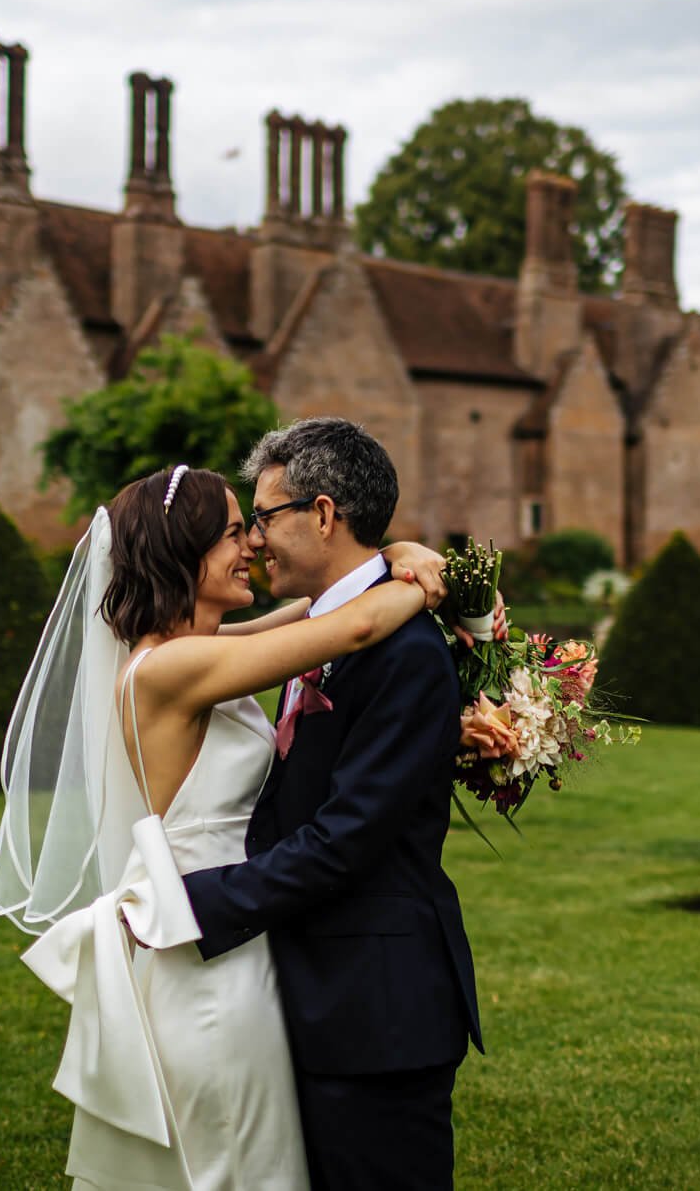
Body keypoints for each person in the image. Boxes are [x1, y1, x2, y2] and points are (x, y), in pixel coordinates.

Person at [0, 459, 450, 1189]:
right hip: (212, 957)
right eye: (236, 532)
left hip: (238, 935)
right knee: (235, 1162)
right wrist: (423, 584)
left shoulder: (195, 652)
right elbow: (354, 624)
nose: (254, 547)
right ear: (185, 553)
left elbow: (320, 608)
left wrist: (391, 554)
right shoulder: (169, 671)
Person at [182, 418, 482, 1190]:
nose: (254, 540)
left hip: (378, 1010)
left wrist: (193, 902)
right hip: (318, 995)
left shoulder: (407, 652)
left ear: (321, 514)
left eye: (265, 518)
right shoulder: (324, 628)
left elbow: (346, 838)